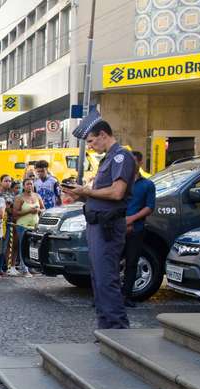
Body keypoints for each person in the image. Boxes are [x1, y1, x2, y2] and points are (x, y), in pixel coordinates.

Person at [64, 114, 136, 329]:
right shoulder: (108, 158)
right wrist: (82, 194)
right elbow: (101, 194)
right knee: (98, 279)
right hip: (97, 224)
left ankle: (116, 328)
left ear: (103, 135)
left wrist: (87, 191)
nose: (91, 146)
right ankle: (106, 326)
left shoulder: (121, 157)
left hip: (108, 226)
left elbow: (116, 192)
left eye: (92, 141)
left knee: (106, 278)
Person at [122, 167, 156, 307]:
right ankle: (105, 296)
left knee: (131, 262)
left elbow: (149, 207)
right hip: (117, 228)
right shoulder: (120, 183)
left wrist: (132, 219)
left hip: (136, 229)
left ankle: (126, 297)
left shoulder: (147, 184)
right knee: (110, 263)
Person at [12, 178, 44, 277]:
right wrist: (29, 211)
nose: (29, 186)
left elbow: (43, 208)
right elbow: (15, 213)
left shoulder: (37, 196)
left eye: (31, 184)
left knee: (33, 248)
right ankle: (24, 269)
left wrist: (38, 210)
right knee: (23, 247)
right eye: (27, 184)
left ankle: (31, 267)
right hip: (22, 226)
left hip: (35, 226)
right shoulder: (19, 197)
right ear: (24, 186)